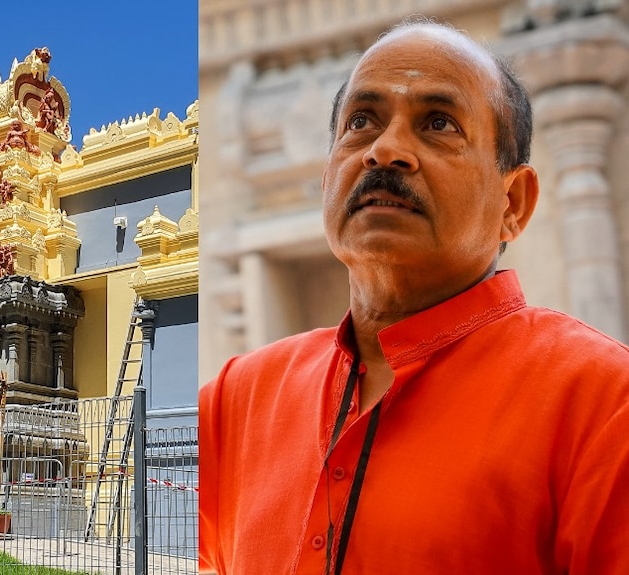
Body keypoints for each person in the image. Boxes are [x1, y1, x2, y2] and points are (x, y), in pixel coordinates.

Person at [198, 20, 629, 575]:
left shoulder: (600, 402)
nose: (386, 150)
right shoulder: (240, 398)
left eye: (439, 123)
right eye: (361, 122)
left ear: (514, 202)